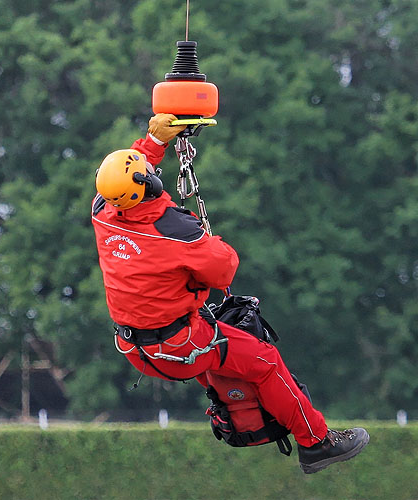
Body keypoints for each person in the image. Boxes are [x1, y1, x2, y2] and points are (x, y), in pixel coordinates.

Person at [91, 113, 369, 473]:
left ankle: (242, 415)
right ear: (150, 187)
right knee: (265, 362)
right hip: (180, 346)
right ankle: (316, 443)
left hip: (135, 349)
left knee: (225, 355)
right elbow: (224, 270)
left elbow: (126, 179)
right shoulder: (173, 230)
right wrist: (205, 237)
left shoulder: (103, 212)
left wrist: (154, 141)